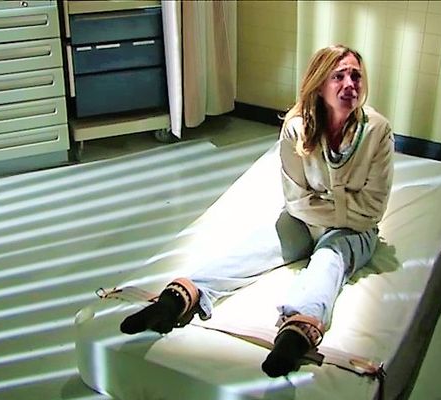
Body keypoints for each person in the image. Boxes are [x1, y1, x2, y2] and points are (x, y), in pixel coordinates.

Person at [120, 44, 394, 378]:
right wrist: (338, 204)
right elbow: (296, 201)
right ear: (320, 85)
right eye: (338, 77)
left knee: (328, 261)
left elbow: (372, 210)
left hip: (354, 233)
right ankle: (179, 298)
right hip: (301, 220)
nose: (349, 84)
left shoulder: (378, 131)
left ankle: (295, 334)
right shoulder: (296, 127)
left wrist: (323, 206)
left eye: (356, 76)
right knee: (254, 249)